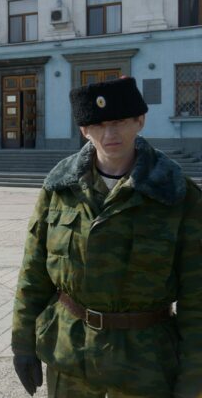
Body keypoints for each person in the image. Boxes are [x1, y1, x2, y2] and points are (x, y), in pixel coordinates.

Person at [11, 77, 202, 398]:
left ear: (139, 121)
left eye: (120, 122)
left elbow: (197, 297)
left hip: (146, 363)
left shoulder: (176, 194)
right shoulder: (60, 188)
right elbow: (34, 272)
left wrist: (194, 377)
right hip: (70, 355)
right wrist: (22, 343)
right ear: (84, 130)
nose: (110, 134)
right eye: (98, 125)